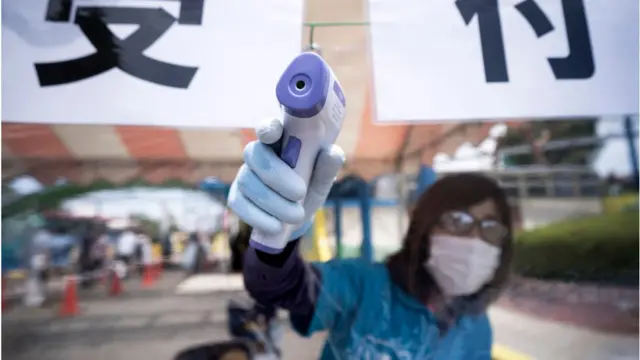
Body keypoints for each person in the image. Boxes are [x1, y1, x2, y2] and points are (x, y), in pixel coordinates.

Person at [228, 119, 513, 359]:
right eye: (458, 221)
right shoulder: (365, 285)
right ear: (424, 229)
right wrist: (276, 233)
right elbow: (281, 286)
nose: (475, 238)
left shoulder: (477, 327)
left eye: (490, 227)